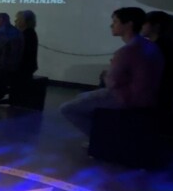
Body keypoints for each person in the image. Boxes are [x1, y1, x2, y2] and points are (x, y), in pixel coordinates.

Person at [60, 7, 164, 137]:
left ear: (129, 24)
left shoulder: (127, 51)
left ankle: (100, 138)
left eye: (115, 21)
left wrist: (107, 76)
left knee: (67, 108)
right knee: (82, 97)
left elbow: (113, 82)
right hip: (148, 97)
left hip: (127, 99)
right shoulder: (150, 46)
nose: (111, 25)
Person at [141, 11, 173, 112]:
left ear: (156, 26)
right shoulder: (171, 46)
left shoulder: (159, 49)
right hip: (164, 100)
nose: (141, 26)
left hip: (152, 101)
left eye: (144, 23)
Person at [0, 9, 39, 105]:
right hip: (23, 66)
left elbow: (17, 54)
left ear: (24, 21)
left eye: (18, 19)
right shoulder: (28, 33)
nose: (15, 21)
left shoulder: (25, 34)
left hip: (21, 68)